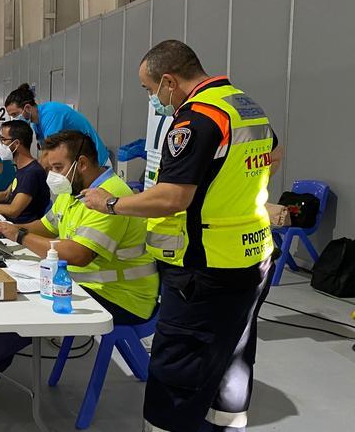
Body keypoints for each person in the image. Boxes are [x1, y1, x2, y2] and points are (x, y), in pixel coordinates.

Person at [79, 40, 282, 432]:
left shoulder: (197, 118)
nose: (154, 98)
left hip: (203, 267)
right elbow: (273, 155)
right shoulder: (243, 105)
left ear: (169, 80)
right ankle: (226, 423)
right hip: (253, 255)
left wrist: (110, 204)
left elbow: (173, 197)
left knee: (179, 366)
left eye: (150, 89)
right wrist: (230, 194)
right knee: (233, 350)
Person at [0, 131, 159, 408]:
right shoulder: (73, 191)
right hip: (87, 284)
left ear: (81, 163)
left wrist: (19, 236)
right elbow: (47, 227)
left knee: (32, 306)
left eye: (58, 168)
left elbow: (80, 255)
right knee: (14, 287)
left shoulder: (111, 195)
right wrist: (4, 228)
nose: (53, 175)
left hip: (121, 297)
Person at [3, 83, 110, 165]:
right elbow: (44, 150)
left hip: (97, 162)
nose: (14, 119)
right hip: (79, 161)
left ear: (27, 108)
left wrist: (31, 170)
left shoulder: (51, 114)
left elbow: (50, 151)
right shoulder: (36, 123)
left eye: (15, 114)